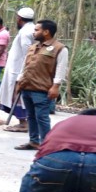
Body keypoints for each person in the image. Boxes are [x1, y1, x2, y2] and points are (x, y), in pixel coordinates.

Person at [13, 20, 68, 150]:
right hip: (27, 86)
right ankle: (33, 141)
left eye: (37, 30)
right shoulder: (33, 47)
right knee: (30, 115)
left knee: (42, 117)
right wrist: (19, 81)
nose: (34, 32)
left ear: (46, 32)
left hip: (42, 89)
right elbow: (25, 65)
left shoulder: (60, 48)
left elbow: (61, 68)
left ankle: (46, 144)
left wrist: (56, 86)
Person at [0, 7, 35, 132]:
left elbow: (27, 53)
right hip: (19, 68)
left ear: (19, 18)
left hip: (19, 70)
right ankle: (24, 122)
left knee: (18, 96)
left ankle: (24, 123)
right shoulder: (31, 29)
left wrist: (23, 73)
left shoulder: (25, 32)